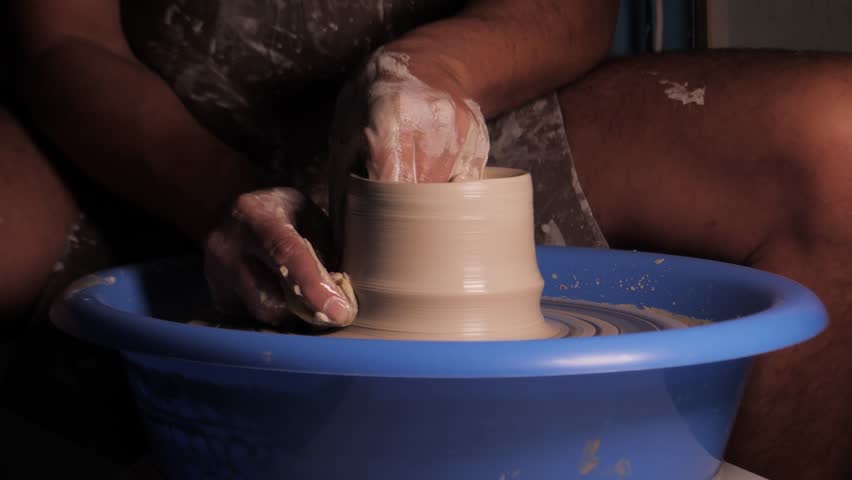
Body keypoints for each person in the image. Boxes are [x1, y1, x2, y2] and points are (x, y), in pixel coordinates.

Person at [1, 1, 850, 478]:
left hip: (463, 115)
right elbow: (65, 39)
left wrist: (427, 73)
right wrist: (219, 198)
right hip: (152, 147)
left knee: (838, 147)